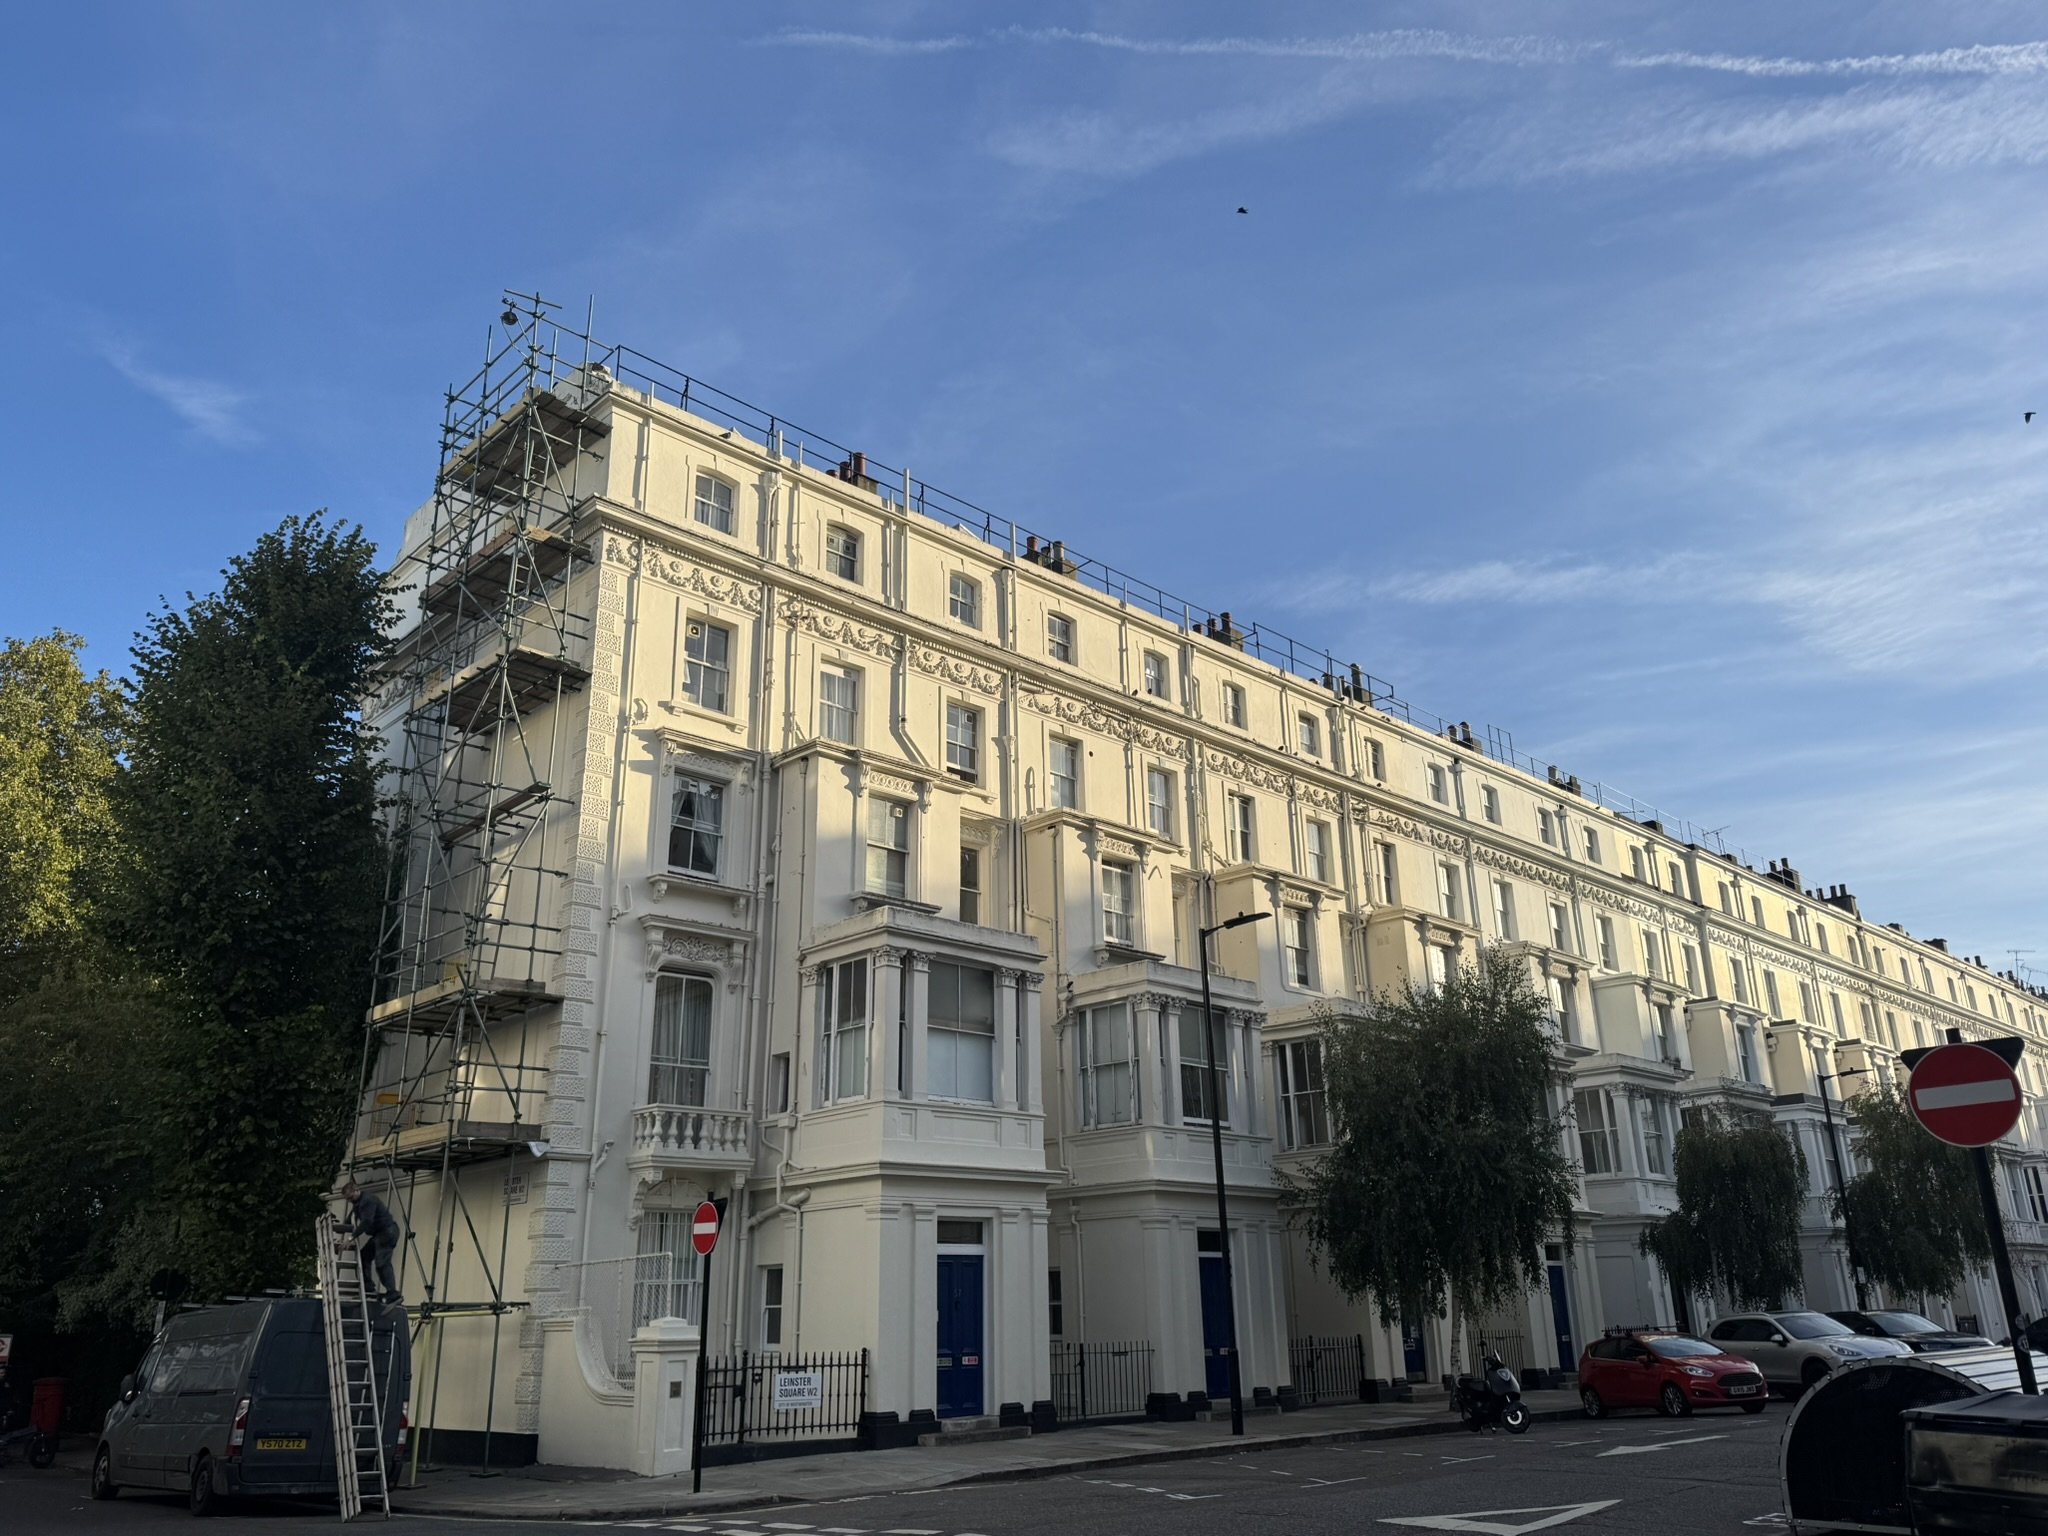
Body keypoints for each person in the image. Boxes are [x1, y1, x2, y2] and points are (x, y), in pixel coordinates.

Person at [341, 1180, 403, 1305]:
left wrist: (351, 1238)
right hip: (380, 1234)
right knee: (364, 1256)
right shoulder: (358, 1203)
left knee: (382, 1262)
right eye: (348, 1199)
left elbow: (367, 1222)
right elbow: (349, 1221)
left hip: (386, 1232)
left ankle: (392, 1293)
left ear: (357, 1190)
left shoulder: (367, 1201)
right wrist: (340, 1229)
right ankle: (368, 1287)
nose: (350, 1201)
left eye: (351, 1198)